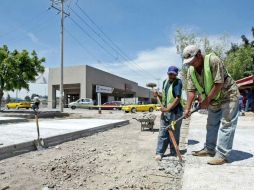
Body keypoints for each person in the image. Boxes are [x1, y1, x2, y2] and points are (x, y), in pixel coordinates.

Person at [183, 45, 240, 165]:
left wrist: (206, 101)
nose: (191, 64)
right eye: (188, 63)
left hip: (228, 95)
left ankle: (222, 155)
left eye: (192, 61)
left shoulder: (213, 60)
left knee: (227, 124)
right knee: (211, 124)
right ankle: (209, 149)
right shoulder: (191, 70)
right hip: (213, 99)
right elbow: (191, 91)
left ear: (198, 55)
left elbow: (219, 84)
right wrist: (187, 108)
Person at [154, 66, 183, 161]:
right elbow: (165, 96)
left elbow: (177, 98)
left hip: (175, 112)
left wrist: (167, 109)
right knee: (163, 132)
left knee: (174, 133)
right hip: (166, 112)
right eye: (170, 73)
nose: (171, 75)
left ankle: (174, 152)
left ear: (176, 74)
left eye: (173, 74)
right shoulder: (165, 82)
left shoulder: (178, 82)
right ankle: (159, 153)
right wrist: (158, 94)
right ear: (167, 73)